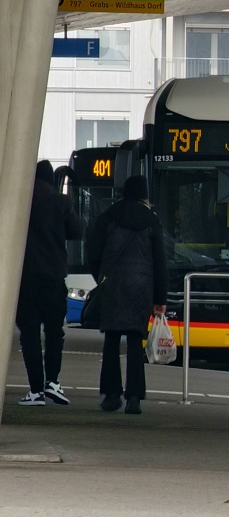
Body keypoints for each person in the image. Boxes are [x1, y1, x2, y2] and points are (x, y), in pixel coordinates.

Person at [86, 175, 168, 415]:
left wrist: (101, 279)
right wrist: (159, 298)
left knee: (111, 340)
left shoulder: (109, 216)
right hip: (141, 287)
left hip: (113, 286)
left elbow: (93, 252)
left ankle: (111, 395)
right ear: (144, 193)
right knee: (135, 341)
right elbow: (160, 262)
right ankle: (134, 398)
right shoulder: (151, 220)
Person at [15, 160, 85, 406]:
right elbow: (77, 231)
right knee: (55, 332)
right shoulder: (60, 202)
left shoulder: (20, 201)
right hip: (54, 278)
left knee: (30, 335)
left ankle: (35, 390)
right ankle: (52, 382)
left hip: (25, 280)